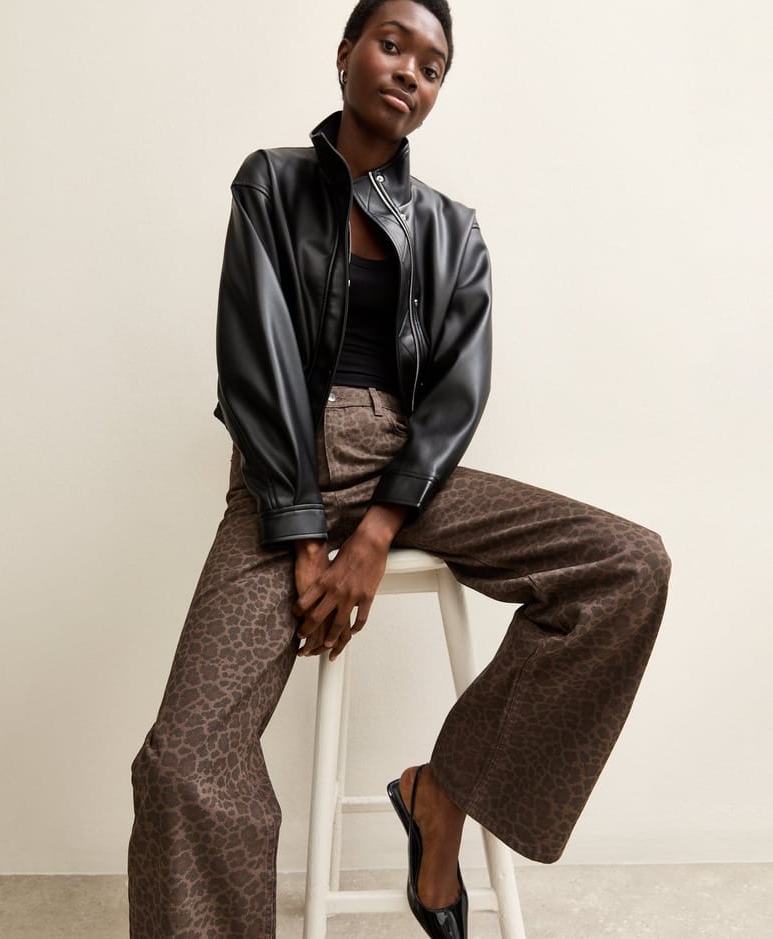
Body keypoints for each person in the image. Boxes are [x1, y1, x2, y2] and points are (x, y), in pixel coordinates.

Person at [127, 1, 672, 936]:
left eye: (433, 64)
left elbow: (458, 389)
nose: (411, 70)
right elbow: (254, 360)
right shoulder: (271, 183)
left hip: (405, 469)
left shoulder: (454, 230)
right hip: (282, 471)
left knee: (628, 565)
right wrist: (303, 531)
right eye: (391, 44)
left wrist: (378, 529)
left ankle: (444, 790)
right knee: (182, 759)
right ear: (345, 53)